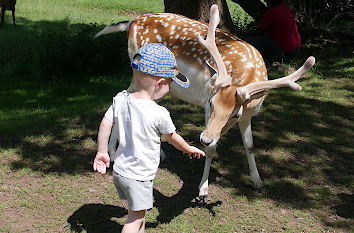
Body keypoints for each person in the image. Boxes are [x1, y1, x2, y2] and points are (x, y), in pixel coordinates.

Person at [93, 43, 205, 233]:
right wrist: (189, 149)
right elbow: (173, 137)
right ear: (160, 83)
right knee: (134, 219)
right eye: (170, 84)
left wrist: (102, 152)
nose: (170, 89)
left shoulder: (121, 99)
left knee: (138, 213)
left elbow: (105, 124)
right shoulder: (159, 113)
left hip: (121, 172)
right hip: (139, 176)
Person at [244, 0, 301, 66]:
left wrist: (243, 33)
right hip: (295, 48)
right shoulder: (285, 7)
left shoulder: (271, 12)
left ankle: (257, 61)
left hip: (284, 50)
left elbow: (260, 31)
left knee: (249, 41)